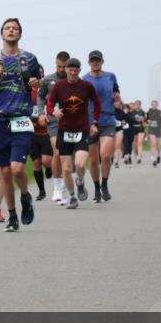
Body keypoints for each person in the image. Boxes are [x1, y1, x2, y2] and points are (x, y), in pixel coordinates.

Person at [0, 18, 40, 233]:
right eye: (7, 28)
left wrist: (36, 84)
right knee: (4, 173)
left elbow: (37, 85)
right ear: (1, 33)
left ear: (20, 34)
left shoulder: (30, 59)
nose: (11, 30)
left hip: (21, 119)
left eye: (15, 28)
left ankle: (25, 196)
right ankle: (12, 216)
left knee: (17, 168)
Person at [46, 57, 101, 209]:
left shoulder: (87, 86)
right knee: (66, 169)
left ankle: (81, 181)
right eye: (70, 70)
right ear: (66, 70)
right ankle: (72, 197)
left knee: (80, 164)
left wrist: (94, 122)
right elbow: (50, 104)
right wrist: (53, 112)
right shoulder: (59, 86)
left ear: (79, 71)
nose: (73, 73)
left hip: (82, 130)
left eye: (76, 70)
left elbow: (97, 102)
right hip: (64, 131)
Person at [82, 50, 122, 202]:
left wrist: (118, 101)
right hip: (91, 122)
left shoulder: (110, 76)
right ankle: (97, 188)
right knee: (93, 160)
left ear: (102, 62)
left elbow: (117, 94)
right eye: (92, 60)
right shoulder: (84, 80)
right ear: (89, 63)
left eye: (97, 60)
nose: (95, 63)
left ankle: (105, 184)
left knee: (105, 155)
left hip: (108, 120)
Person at [36, 51, 70, 204]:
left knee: (68, 157)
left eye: (64, 66)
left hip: (71, 122)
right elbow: (40, 96)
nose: (62, 69)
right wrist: (41, 114)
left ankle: (65, 184)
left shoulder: (75, 80)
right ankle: (57, 186)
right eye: (59, 66)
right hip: (54, 122)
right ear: (55, 63)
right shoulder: (48, 80)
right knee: (57, 151)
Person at [28, 65, 53, 201]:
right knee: (36, 163)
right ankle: (41, 191)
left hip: (46, 131)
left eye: (39, 76)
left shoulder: (47, 90)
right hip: (32, 133)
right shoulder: (26, 92)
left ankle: (49, 168)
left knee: (46, 161)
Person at [146, 99, 161, 166]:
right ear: (151, 105)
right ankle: (154, 158)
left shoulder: (160, 112)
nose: (154, 106)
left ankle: (159, 155)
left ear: (157, 105)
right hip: (151, 130)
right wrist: (148, 121)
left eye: (155, 105)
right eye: (153, 104)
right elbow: (146, 120)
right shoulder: (148, 112)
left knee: (157, 145)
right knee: (153, 143)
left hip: (158, 130)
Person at [129, 100, 146, 164]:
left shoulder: (143, 112)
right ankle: (135, 153)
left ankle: (139, 157)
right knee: (135, 144)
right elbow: (131, 120)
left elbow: (145, 121)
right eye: (136, 104)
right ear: (135, 105)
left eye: (138, 104)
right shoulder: (132, 112)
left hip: (141, 129)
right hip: (134, 129)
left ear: (140, 105)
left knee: (140, 143)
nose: (137, 105)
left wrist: (144, 124)